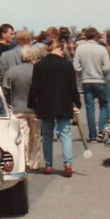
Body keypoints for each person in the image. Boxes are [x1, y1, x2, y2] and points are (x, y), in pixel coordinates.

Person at [28, 37, 81, 177]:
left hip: (45, 104)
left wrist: (31, 103)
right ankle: (68, 164)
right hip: (64, 103)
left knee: (47, 136)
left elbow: (35, 87)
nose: (64, 52)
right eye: (62, 50)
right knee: (65, 134)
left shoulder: (39, 66)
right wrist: (77, 103)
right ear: (59, 49)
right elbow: (73, 87)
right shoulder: (67, 65)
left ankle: (48, 165)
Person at [4, 45, 45, 171]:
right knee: (36, 136)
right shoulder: (39, 71)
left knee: (23, 136)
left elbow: (6, 89)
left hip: (17, 107)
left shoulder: (12, 71)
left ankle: (24, 161)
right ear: (33, 58)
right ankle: (35, 162)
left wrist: (10, 102)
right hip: (35, 109)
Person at [74, 27, 110, 142]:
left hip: (86, 81)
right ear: (96, 37)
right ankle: (101, 130)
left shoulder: (80, 49)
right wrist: (102, 72)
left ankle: (92, 136)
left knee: (90, 108)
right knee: (103, 105)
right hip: (99, 80)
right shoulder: (102, 49)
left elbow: (76, 66)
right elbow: (108, 67)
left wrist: (82, 72)